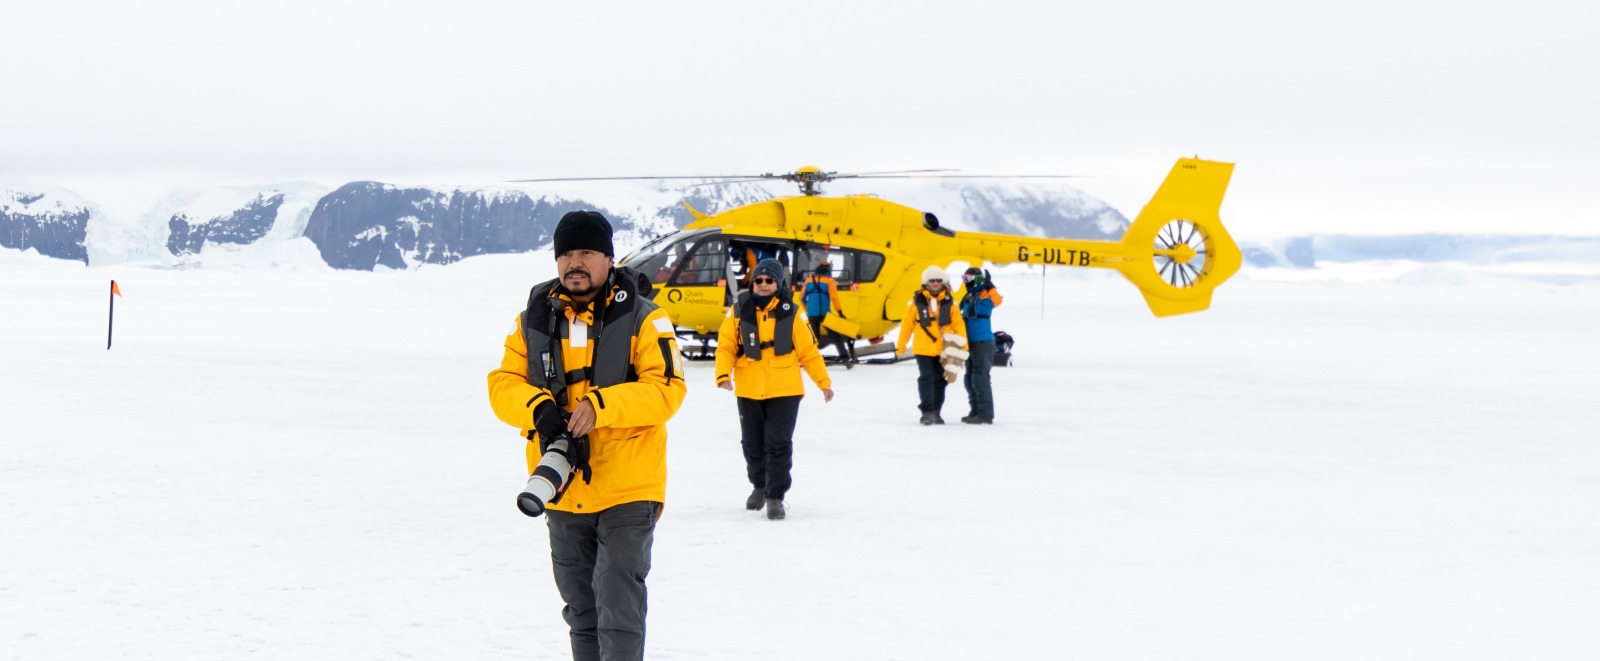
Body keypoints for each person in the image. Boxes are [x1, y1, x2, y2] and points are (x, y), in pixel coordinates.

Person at [487, 210, 687, 661]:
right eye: (567, 253)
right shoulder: (531, 321)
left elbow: (667, 390)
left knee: (618, 605)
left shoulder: (645, 319)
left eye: (587, 252)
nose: (575, 262)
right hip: (561, 487)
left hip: (628, 487)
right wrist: (537, 408)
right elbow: (503, 383)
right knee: (581, 610)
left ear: (609, 258)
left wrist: (601, 407)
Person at [714, 258, 834, 520]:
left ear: (778, 283)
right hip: (748, 387)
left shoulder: (793, 312)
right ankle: (759, 484)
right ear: (753, 283)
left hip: (785, 388)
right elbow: (725, 347)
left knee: (778, 442)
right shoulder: (737, 311)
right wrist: (723, 375)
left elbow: (809, 352)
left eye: (769, 280)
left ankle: (775, 496)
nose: (764, 285)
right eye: (759, 280)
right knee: (752, 443)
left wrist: (823, 383)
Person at [895, 265, 968, 425]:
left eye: (938, 280)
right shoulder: (916, 303)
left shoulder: (951, 304)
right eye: (932, 280)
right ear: (926, 283)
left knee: (940, 381)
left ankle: (936, 411)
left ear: (943, 283)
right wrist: (901, 345)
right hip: (923, 348)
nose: (935, 283)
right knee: (926, 378)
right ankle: (927, 411)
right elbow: (906, 325)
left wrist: (964, 347)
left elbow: (959, 326)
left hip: (944, 349)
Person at [959, 267, 1004, 424]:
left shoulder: (985, 293)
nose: (966, 282)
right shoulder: (969, 296)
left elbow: (997, 300)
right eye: (964, 278)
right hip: (969, 342)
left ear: (977, 279)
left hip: (983, 342)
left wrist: (990, 286)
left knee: (980, 378)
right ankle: (975, 411)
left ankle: (985, 415)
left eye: (969, 279)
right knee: (968, 378)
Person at [798, 261, 858, 368]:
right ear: (828, 270)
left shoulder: (808, 280)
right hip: (825, 313)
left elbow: (801, 298)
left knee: (813, 338)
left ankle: (810, 361)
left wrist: (808, 307)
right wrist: (840, 312)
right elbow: (834, 298)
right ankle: (845, 360)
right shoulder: (830, 281)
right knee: (835, 336)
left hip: (811, 313)